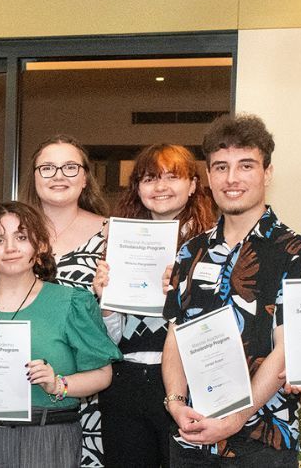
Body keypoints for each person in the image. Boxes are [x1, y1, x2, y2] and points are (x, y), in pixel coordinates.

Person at [160, 113, 301, 466]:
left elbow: (288, 348)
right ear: (209, 176)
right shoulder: (190, 251)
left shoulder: (295, 252)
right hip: (191, 438)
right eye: (220, 167)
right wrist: (176, 404)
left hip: (263, 441)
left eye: (246, 166)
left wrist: (235, 419)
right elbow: (175, 336)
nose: (232, 179)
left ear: (267, 173)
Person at [0, 202, 120, 467]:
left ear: (40, 245)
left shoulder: (70, 303)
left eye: (21, 237)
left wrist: (59, 384)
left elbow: (103, 374)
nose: (10, 248)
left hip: (46, 435)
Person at [89, 143, 216, 468]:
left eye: (172, 177)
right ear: (138, 189)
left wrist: (186, 293)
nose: (160, 187)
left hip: (188, 385)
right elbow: (111, 340)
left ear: (192, 186)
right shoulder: (120, 243)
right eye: (149, 178)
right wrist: (106, 303)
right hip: (126, 382)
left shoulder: (214, 248)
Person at [22, 135, 110, 466]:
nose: (58, 175)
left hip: (89, 391)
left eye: (70, 167)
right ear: (34, 176)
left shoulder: (111, 235)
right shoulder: (13, 233)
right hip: (19, 385)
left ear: (86, 177)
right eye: (47, 168)